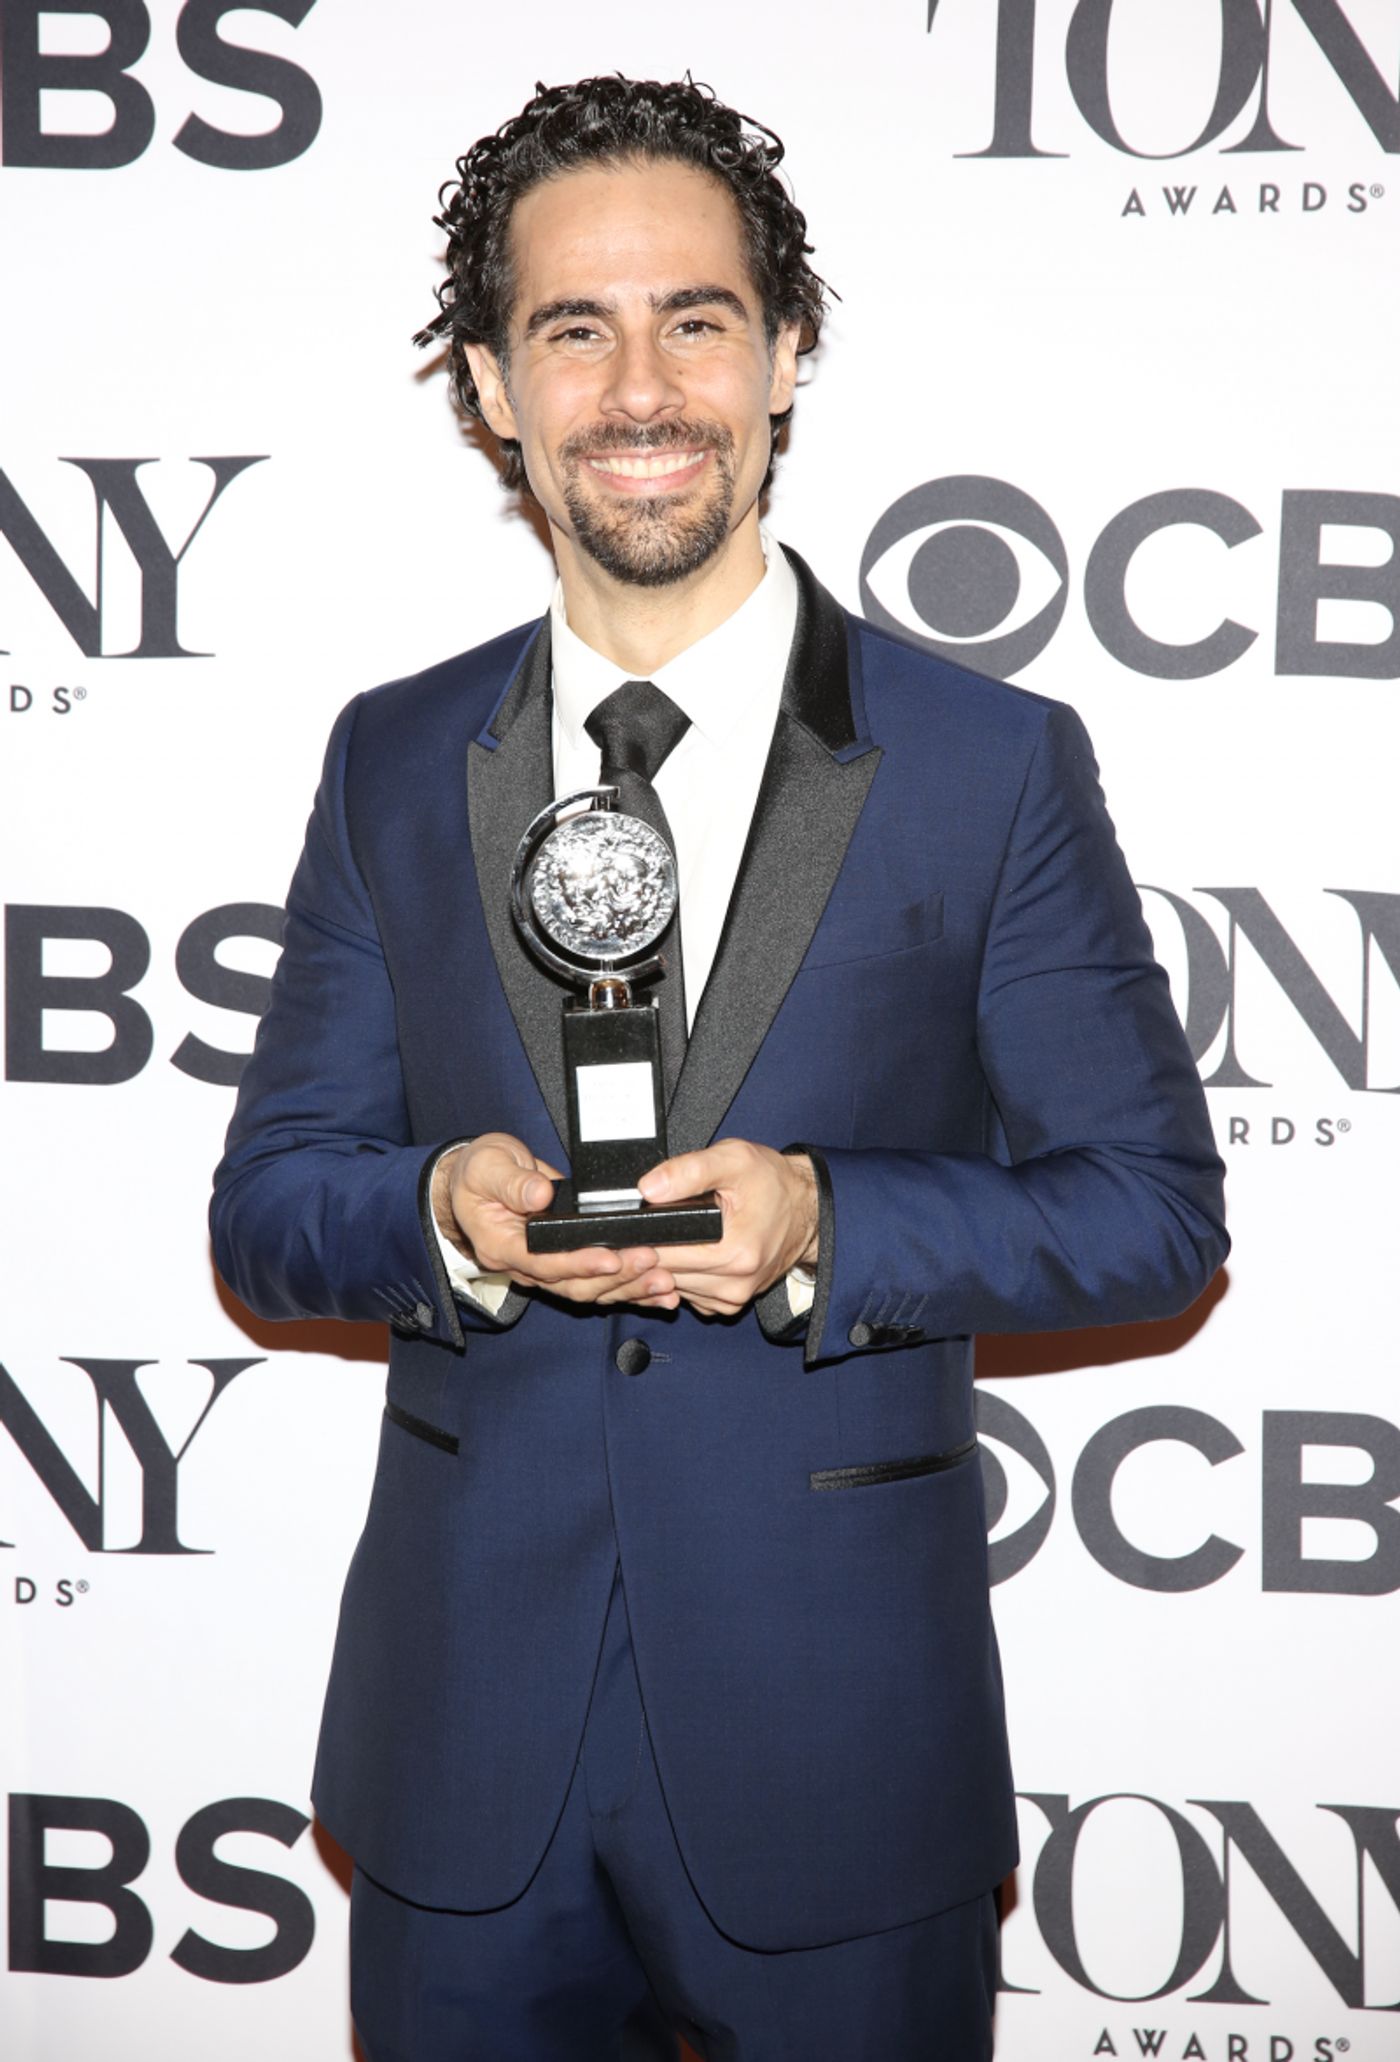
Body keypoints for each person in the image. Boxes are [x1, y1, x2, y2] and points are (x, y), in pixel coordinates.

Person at [211, 75, 1228, 2062]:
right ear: (493, 392)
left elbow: (1151, 1211)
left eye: (694, 318)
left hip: (838, 1739)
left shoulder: (985, 762)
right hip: (459, 1751)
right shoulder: (395, 759)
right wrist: (435, 1212)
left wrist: (825, 1219)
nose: (639, 385)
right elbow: (270, 1200)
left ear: (784, 353)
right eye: (570, 330)